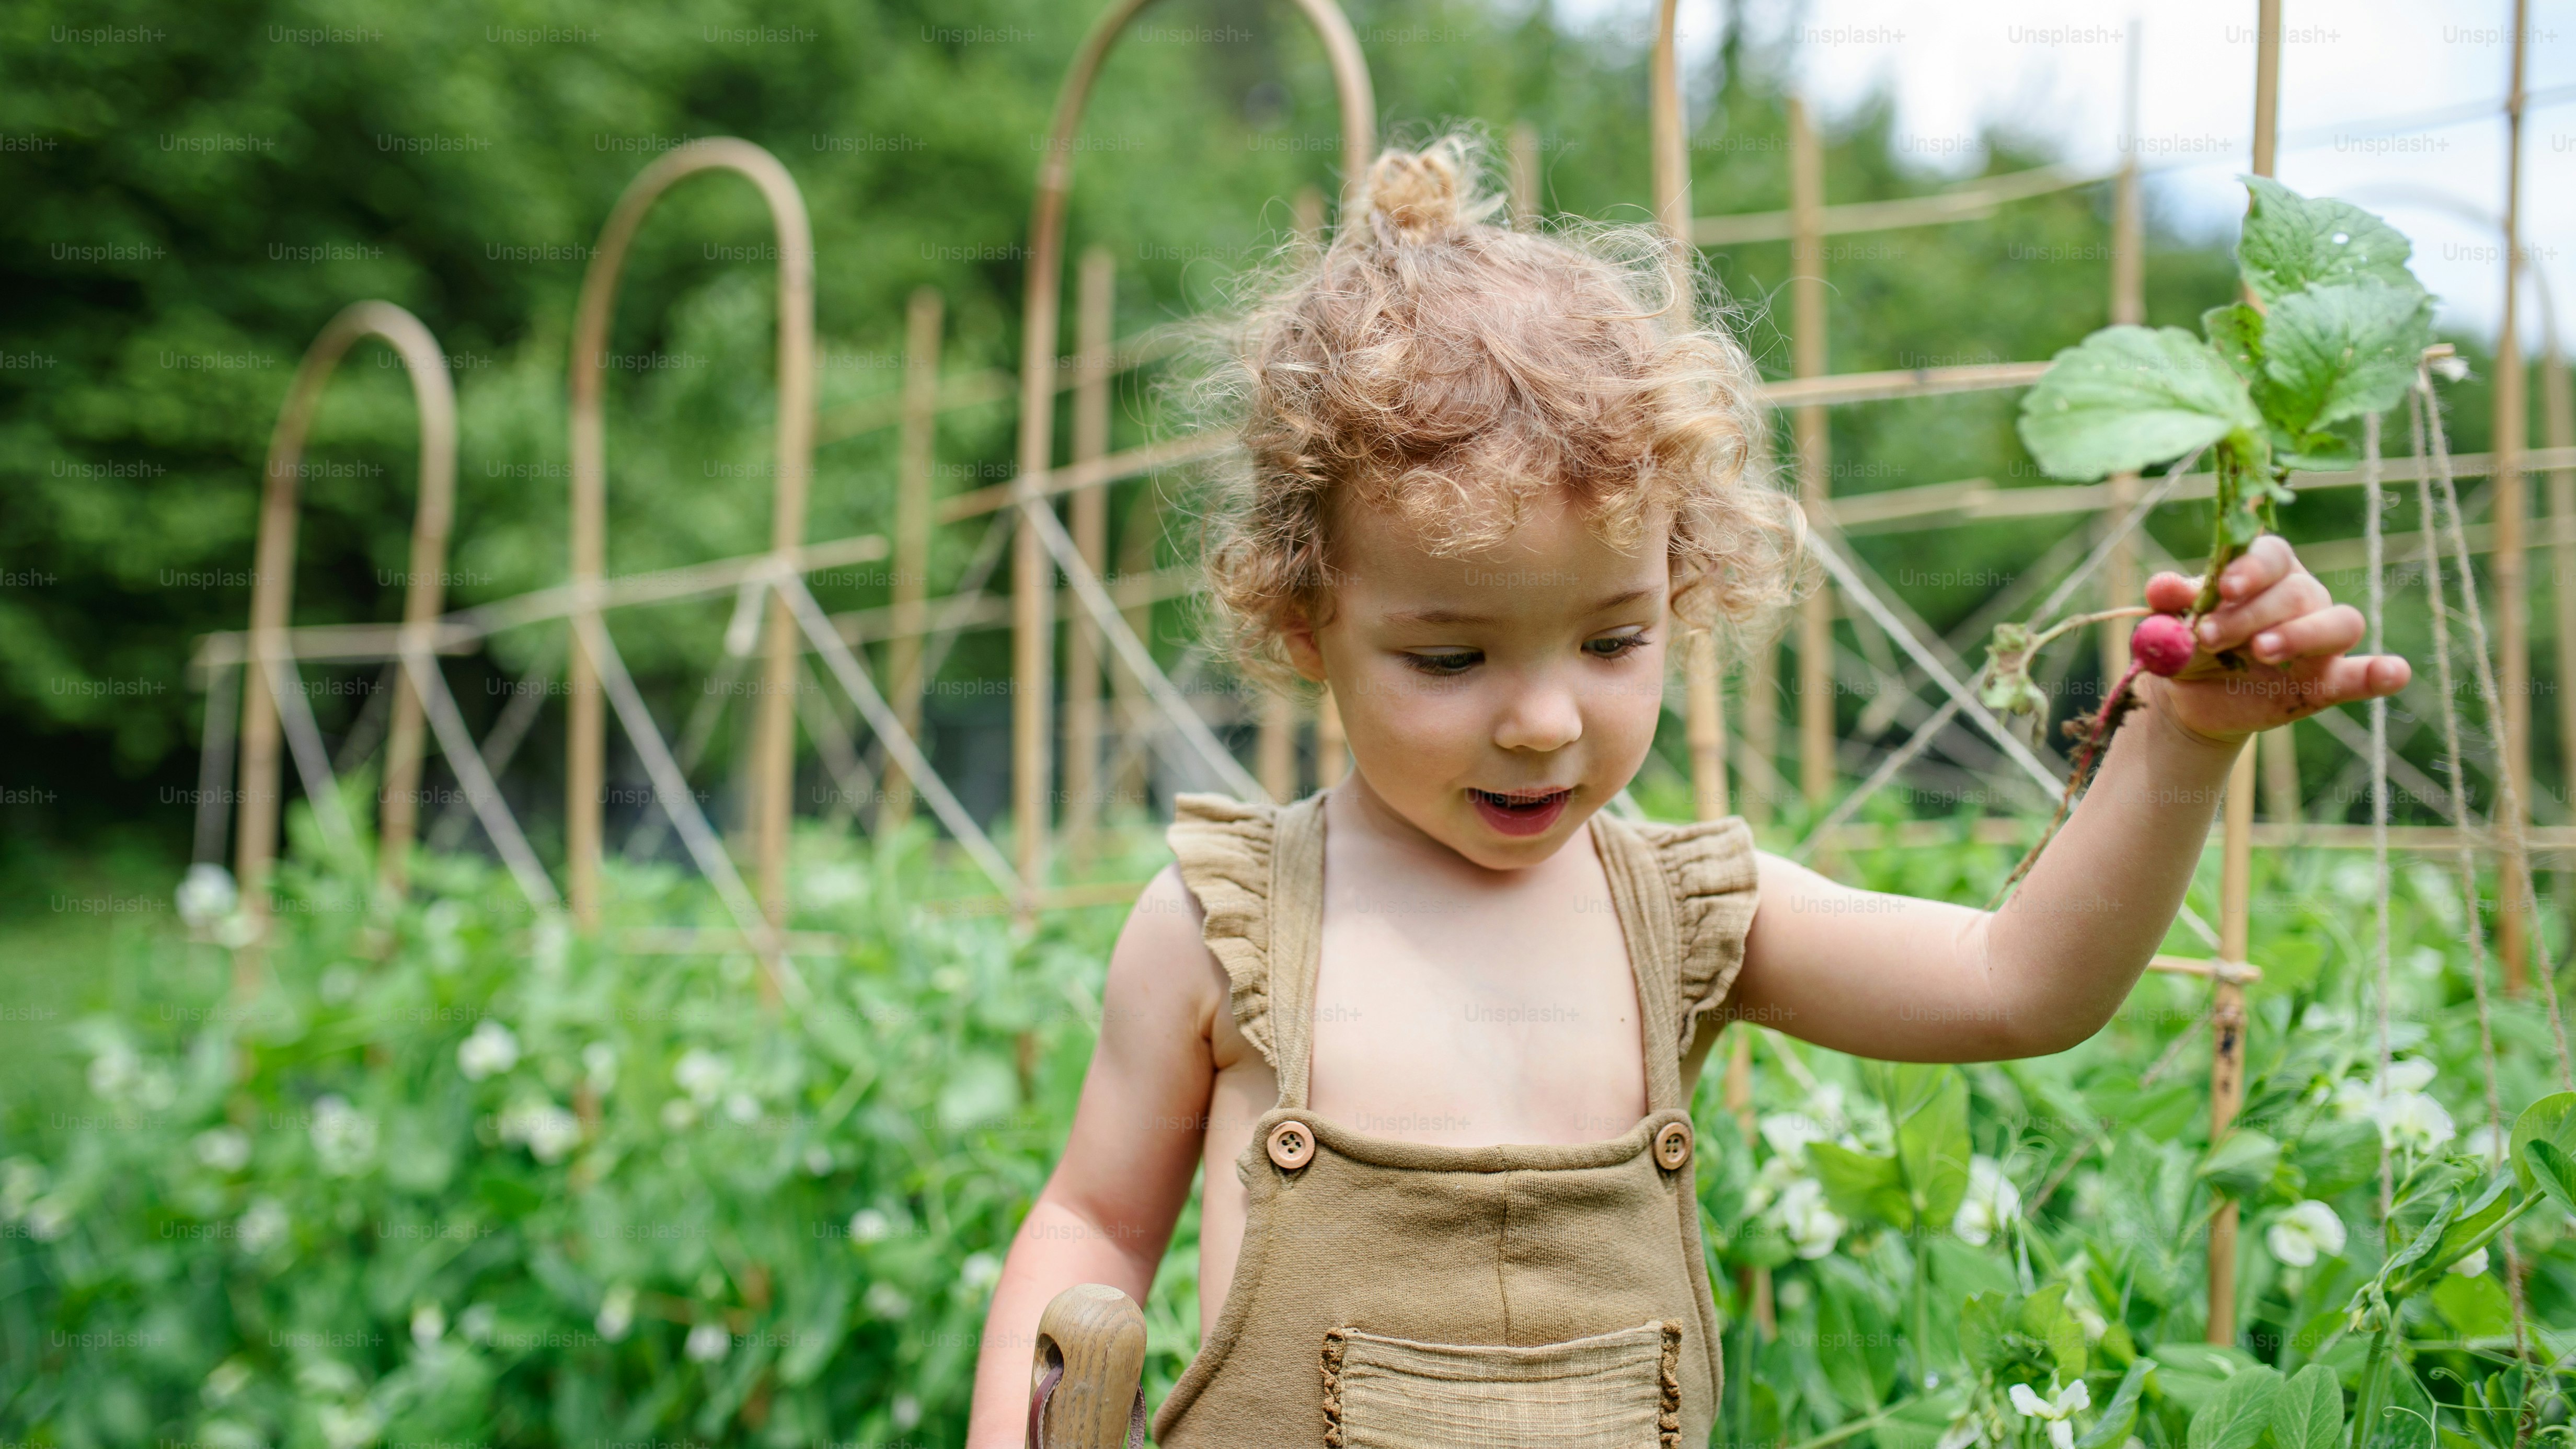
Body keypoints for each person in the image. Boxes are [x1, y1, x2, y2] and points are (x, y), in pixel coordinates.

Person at [964, 136, 2408, 1447]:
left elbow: (2015, 983)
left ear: (1684, 588)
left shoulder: (1686, 913)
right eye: (1453, 654)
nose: (1541, 720)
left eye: (1612, 639)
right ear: (1304, 625)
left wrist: (2183, 742)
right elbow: (1091, 1222)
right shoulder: (1225, 927)